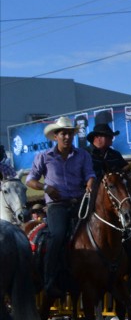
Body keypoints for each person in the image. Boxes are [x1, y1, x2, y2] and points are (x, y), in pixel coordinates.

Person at [26, 116, 96, 298]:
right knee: (57, 235)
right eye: (63, 133)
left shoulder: (83, 155)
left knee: (98, 231)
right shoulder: (44, 156)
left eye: (70, 133)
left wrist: (90, 183)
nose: (67, 137)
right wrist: (46, 187)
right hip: (57, 205)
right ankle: (49, 280)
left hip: (79, 202)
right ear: (55, 136)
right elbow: (30, 180)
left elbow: (90, 174)